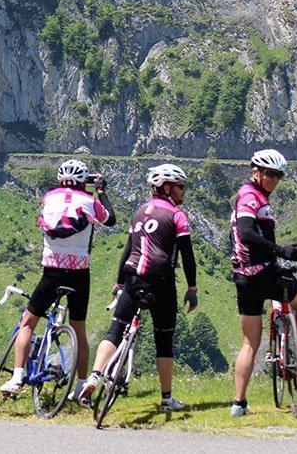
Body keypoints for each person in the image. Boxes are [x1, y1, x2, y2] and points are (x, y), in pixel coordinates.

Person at [79, 164, 198, 411]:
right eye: (180, 187)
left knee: (115, 331)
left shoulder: (139, 212)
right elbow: (187, 254)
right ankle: (166, 399)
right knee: (164, 339)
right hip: (161, 283)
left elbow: (127, 250)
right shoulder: (177, 215)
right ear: (167, 188)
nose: (183, 192)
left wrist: (118, 283)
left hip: (132, 278)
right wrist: (192, 288)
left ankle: (95, 376)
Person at [0, 159, 115, 400]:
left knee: (28, 324)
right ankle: (82, 386)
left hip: (52, 270)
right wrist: (100, 190)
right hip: (80, 272)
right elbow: (109, 219)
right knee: (79, 330)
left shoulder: (48, 198)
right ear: (84, 181)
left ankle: (17, 377)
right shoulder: (90, 201)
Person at [229, 149, 297, 417]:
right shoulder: (250, 197)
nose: (274, 179)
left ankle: (238, 405)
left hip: (244, 278)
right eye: (270, 174)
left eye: (278, 175)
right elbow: (246, 233)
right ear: (256, 172)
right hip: (262, 274)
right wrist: (280, 250)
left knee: (249, 343)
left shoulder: (256, 196)